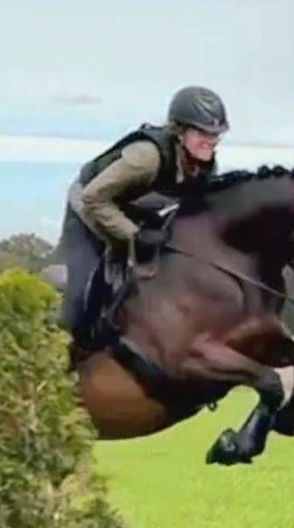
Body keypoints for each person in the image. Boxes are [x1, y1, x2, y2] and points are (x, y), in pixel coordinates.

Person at [60, 86, 229, 345]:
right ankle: (66, 356)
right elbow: (93, 197)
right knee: (80, 299)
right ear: (180, 131)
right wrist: (134, 236)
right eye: (202, 132)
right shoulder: (146, 158)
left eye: (216, 134)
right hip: (89, 210)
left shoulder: (204, 166)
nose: (210, 140)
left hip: (133, 211)